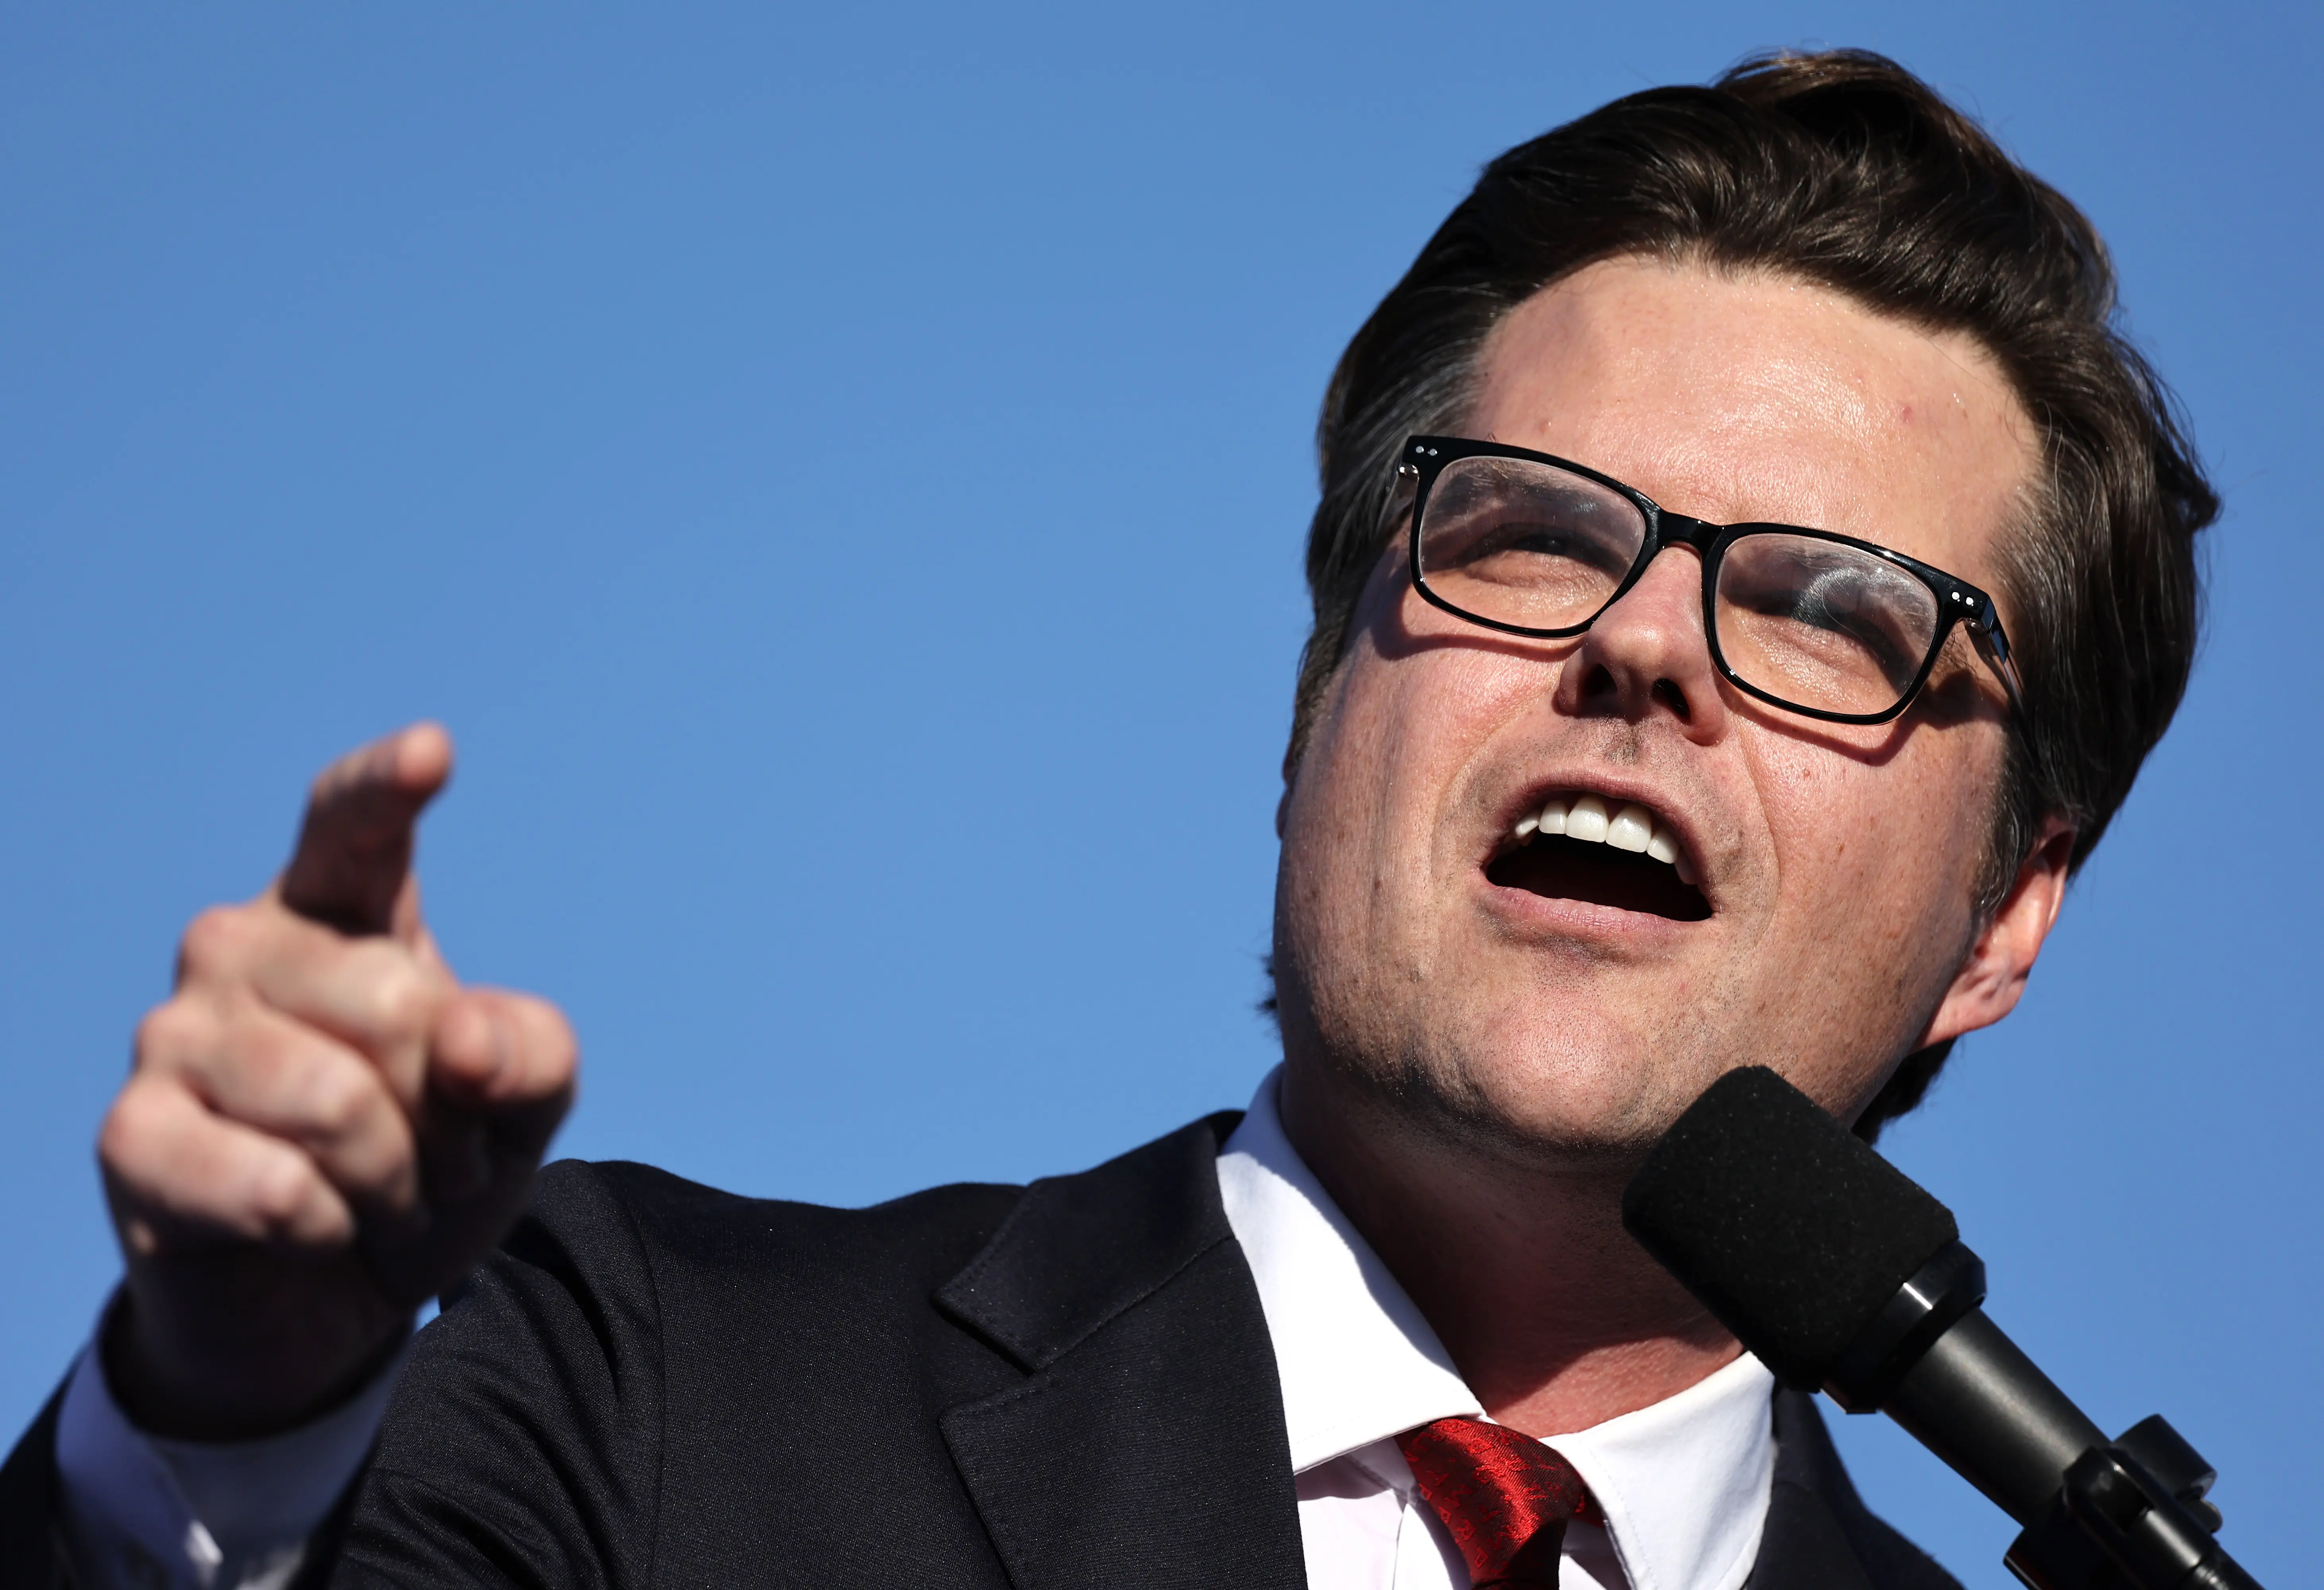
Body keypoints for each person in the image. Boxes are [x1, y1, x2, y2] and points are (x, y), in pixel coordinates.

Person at [0, 47, 2216, 1590]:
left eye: (1827, 613)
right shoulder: (652, 1383)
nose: (1636, 647)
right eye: (1531, 534)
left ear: (2008, 915)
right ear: (1313, 708)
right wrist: (233, 1423)